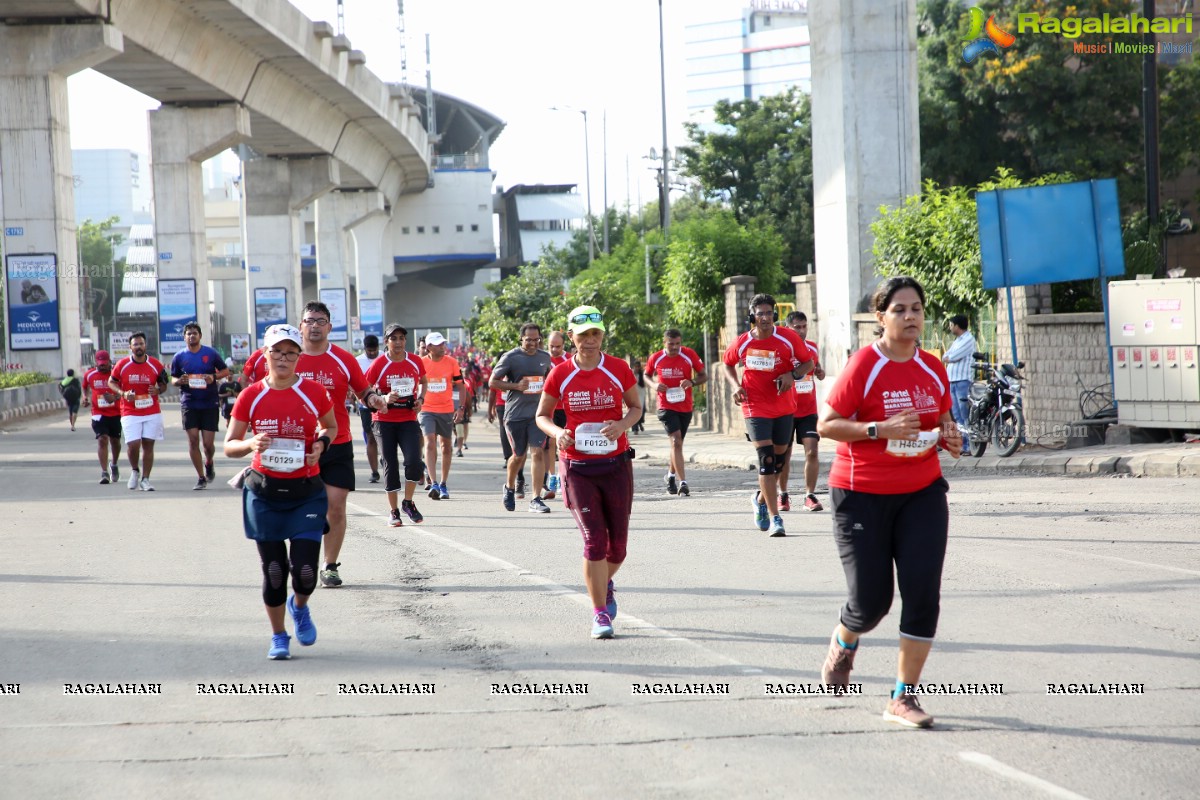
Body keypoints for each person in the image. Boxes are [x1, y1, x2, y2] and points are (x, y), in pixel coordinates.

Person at [816, 276, 961, 729]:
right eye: (900, 309)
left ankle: (903, 695)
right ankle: (845, 638)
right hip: (861, 495)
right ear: (881, 318)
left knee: (923, 594)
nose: (911, 316)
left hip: (921, 491)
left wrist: (950, 436)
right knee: (871, 601)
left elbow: (942, 418)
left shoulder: (933, 366)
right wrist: (879, 429)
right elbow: (827, 424)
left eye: (917, 308)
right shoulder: (865, 364)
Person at [225, 324, 338, 660]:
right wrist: (250, 443)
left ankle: (299, 606)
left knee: (304, 573)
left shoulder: (314, 392)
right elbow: (229, 445)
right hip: (264, 493)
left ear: (299, 357)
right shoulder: (251, 395)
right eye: (277, 351)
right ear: (265, 354)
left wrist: (321, 444)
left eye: (291, 352)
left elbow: (330, 425)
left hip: (305, 491)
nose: (284, 358)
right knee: (275, 571)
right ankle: (278, 636)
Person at [537, 306, 641, 639]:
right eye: (583, 336)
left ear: (602, 336)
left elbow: (636, 407)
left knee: (618, 548)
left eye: (596, 334)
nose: (590, 341)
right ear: (572, 338)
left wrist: (622, 424)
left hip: (616, 465)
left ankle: (603, 583)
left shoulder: (618, 369)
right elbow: (542, 415)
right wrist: (558, 433)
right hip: (578, 468)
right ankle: (599, 614)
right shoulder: (561, 374)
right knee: (595, 541)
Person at [294, 301, 389, 588]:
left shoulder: (343, 359)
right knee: (302, 507)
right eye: (309, 320)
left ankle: (330, 565)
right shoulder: (288, 356)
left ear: (329, 327)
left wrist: (376, 401)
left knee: (335, 506)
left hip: (337, 441)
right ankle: (302, 558)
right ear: (301, 326)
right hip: (298, 445)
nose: (314, 326)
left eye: (320, 321)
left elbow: (364, 390)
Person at [722, 293, 806, 537]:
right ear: (752, 317)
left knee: (779, 464)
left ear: (775, 315)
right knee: (767, 461)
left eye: (769, 313)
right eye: (760, 313)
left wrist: (793, 375)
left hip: (784, 407)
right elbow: (727, 363)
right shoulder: (743, 342)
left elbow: (807, 363)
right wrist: (736, 386)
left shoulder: (788, 338)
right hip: (755, 407)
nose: (766, 318)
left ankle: (759, 499)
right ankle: (775, 517)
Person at [364, 324, 428, 527]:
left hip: (408, 418)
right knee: (390, 465)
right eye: (394, 338)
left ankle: (408, 502)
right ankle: (394, 511)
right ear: (386, 341)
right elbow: (364, 390)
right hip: (384, 421)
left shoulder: (415, 361)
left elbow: (424, 381)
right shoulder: (379, 364)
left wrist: (421, 399)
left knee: (415, 462)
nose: (398, 342)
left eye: (401, 338)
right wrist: (383, 397)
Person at [490, 323, 554, 514]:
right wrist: (516, 386)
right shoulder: (511, 357)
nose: (533, 343)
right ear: (521, 339)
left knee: (537, 452)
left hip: (537, 415)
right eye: (529, 340)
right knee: (519, 456)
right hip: (515, 415)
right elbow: (493, 381)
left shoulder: (545, 357)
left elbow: (550, 379)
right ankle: (509, 486)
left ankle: (535, 498)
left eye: (536, 340)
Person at [644, 328, 707, 497]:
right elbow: (646, 375)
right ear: (664, 343)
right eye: (671, 344)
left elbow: (704, 375)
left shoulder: (689, 355)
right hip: (665, 405)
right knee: (676, 441)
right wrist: (654, 385)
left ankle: (671, 476)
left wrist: (692, 382)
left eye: (678, 344)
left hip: (685, 406)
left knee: (676, 444)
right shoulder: (656, 358)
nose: (675, 347)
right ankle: (683, 483)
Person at [170, 323, 230, 490]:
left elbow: (225, 371)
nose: (192, 336)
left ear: (200, 336)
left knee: (208, 445)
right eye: (188, 334)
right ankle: (201, 477)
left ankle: (209, 462)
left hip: (209, 402)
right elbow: (173, 379)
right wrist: (179, 381)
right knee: (193, 440)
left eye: (194, 333)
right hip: (189, 402)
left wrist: (213, 377)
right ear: (184, 337)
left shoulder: (210, 353)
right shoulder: (179, 357)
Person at [108, 332, 169, 491]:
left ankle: (145, 479)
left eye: (141, 344)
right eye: (135, 344)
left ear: (145, 345)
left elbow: (163, 385)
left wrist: (158, 390)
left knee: (148, 445)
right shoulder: (122, 365)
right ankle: (135, 470)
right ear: (130, 347)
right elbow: (111, 382)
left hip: (151, 410)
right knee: (133, 445)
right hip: (130, 411)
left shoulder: (155, 364)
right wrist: (123, 394)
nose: (139, 347)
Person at [778, 311, 826, 512]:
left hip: (808, 410)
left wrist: (820, 372)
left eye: (804, 326)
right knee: (784, 455)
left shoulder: (812, 348)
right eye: (797, 327)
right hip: (786, 410)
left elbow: (819, 372)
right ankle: (783, 495)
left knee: (812, 451)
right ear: (788, 328)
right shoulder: (781, 349)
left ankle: (810, 495)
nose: (801, 330)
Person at [419, 332, 464, 500]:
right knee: (430, 441)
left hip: (446, 409)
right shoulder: (421, 363)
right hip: (426, 409)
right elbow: (414, 385)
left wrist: (460, 408)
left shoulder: (452, 362)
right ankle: (434, 482)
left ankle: (444, 483)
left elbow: (461, 386)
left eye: (443, 343)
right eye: (438, 344)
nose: (442, 347)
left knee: (446, 446)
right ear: (429, 347)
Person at [941, 314, 977, 456]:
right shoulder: (957, 341)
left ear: (957, 326)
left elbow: (953, 357)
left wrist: (950, 358)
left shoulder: (968, 339)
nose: (950, 327)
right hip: (952, 380)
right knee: (956, 414)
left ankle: (969, 445)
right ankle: (963, 444)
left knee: (964, 413)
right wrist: (949, 357)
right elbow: (946, 356)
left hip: (963, 380)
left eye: (951, 324)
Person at [83, 351, 121, 483]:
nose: (102, 367)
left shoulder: (116, 374)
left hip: (116, 413)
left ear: (109, 362)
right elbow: (85, 387)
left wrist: (115, 397)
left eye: (104, 364)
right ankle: (104, 472)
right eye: (99, 364)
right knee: (102, 439)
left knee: (115, 441)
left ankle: (114, 464)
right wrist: (85, 398)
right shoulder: (90, 374)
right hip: (98, 413)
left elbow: (126, 391)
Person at [542, 330, 569, 499]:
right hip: (549, 408)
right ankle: (552, 477)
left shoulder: (569, 359)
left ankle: (564, 476)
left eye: (558, 347)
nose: (554, 350)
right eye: (551, 346)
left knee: (565, 443)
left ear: (563, 345)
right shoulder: (543, 359)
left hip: (567, 408)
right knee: (550, 443)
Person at [355, 335, 383, 482]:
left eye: (375, 350)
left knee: (385, 436)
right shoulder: (358, 361)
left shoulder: (384, 358)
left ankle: (384, 457)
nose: (372, 353)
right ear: (364, 348)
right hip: (365, 405)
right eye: (369, 351)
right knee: (370, 436)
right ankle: (374, 472)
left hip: (384, 402)